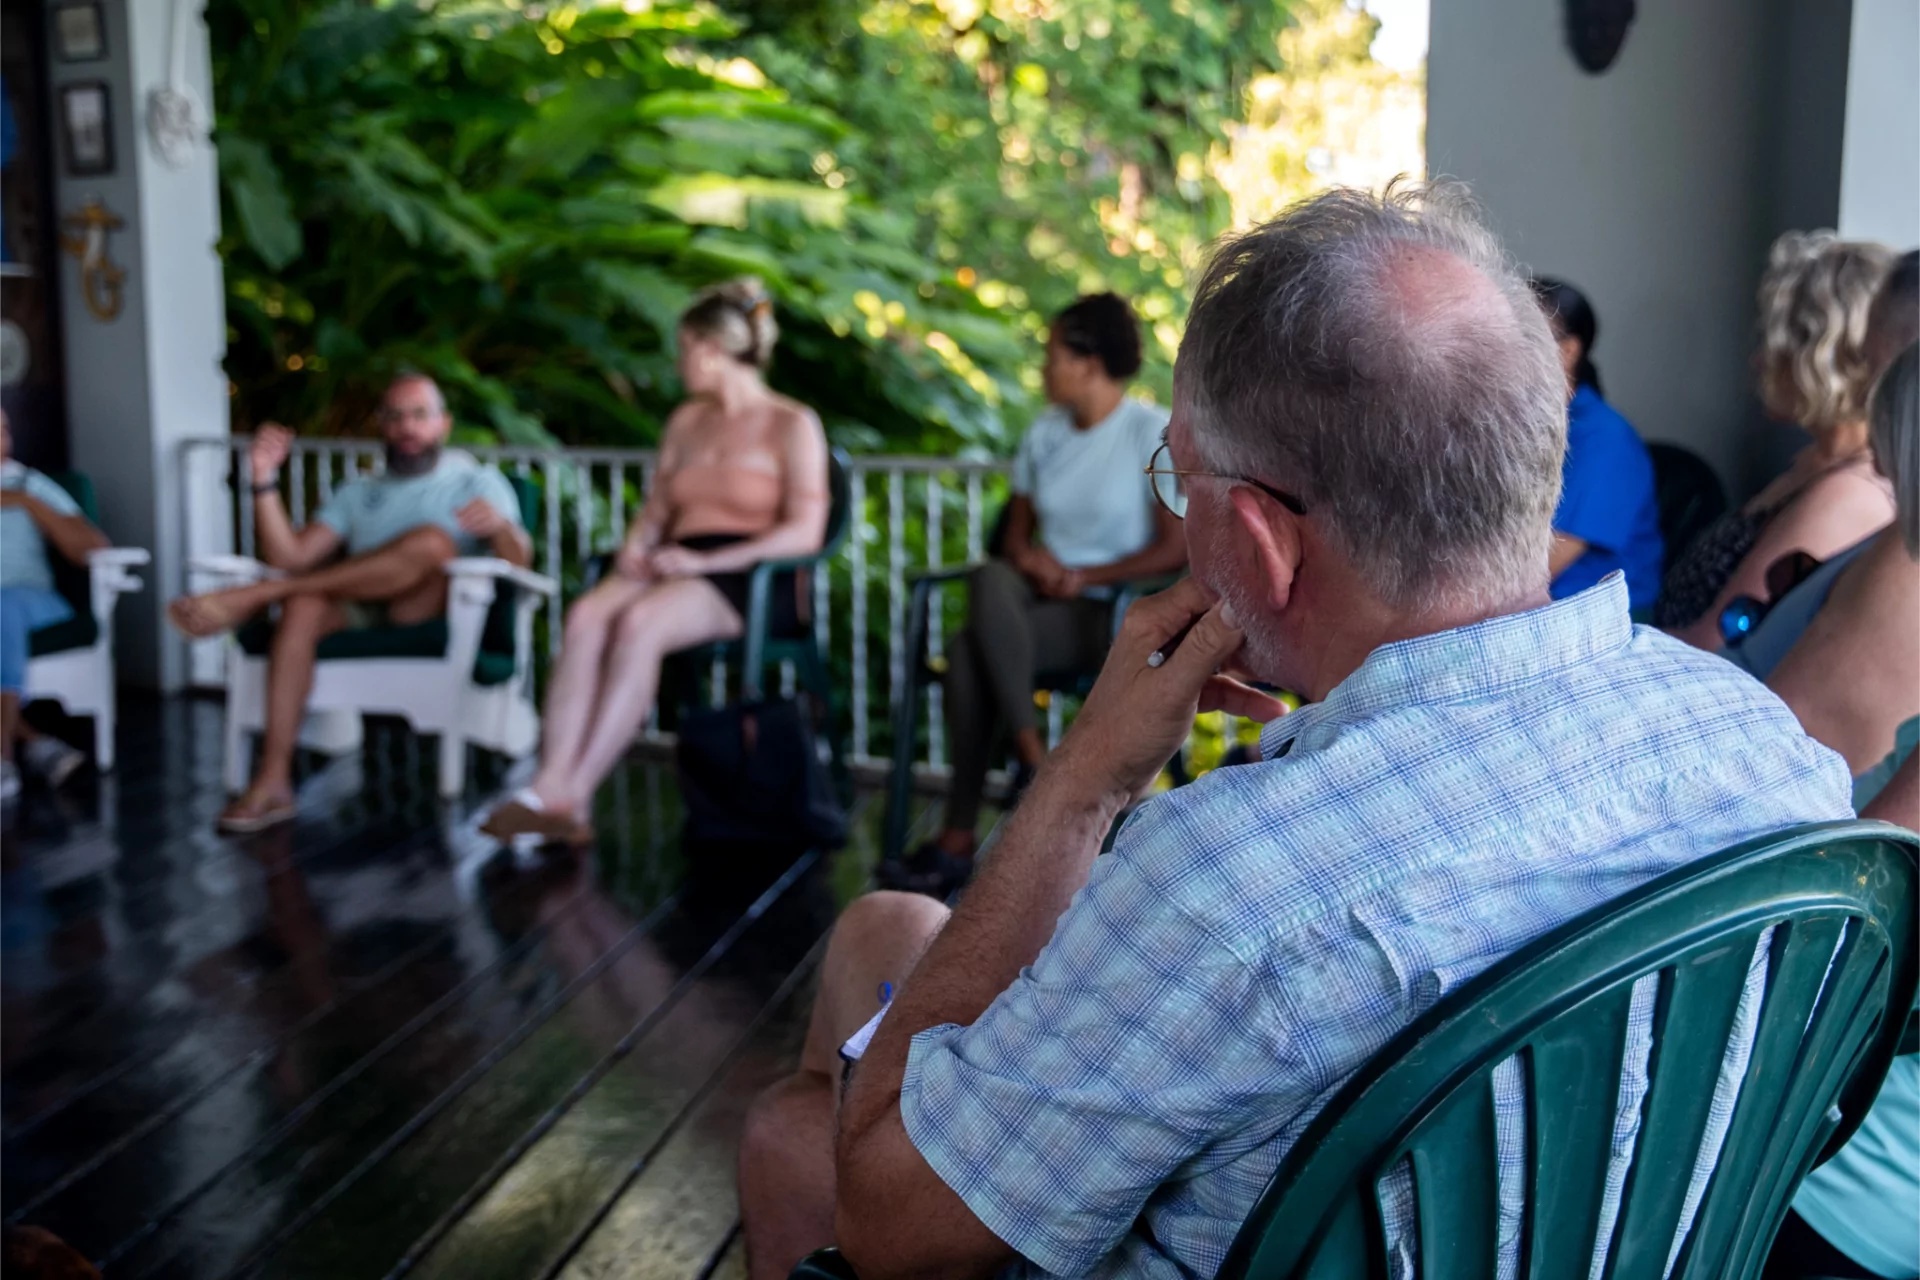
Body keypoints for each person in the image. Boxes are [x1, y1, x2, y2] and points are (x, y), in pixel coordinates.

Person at [734, 183, 1853, 1279]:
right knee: (885, 930)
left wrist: (1083, 783)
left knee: (796, 1133)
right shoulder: (1767, 755)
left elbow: (890, 1229)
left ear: (1264, 544)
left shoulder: (1230, 882)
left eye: (1186, 480)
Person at [481, 279, 830, 846]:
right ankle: (550, 783)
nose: (679, 363)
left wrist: (704, 562)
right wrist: (636, 545)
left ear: (711, 351)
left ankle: (574, 794)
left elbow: (804, 529)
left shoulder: (792, 423)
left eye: (684, 349)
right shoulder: (685, 422)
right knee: (586, 617)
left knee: (639, 624)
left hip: (749, 573)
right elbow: (658, 508)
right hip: (674, 558)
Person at [880, 293, 1186, 897]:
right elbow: (1013, 540)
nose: (1043, 368)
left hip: (1110, 613)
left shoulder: (1147, 431)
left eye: (1052, 355)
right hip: (1037, 608)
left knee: (971, 651)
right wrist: (1037, 563)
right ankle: (1029, 753)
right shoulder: (1043, 435)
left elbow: (1175, 548)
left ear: (1088, 361)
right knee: (988, 582)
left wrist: (1085, 578)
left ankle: (957, 840)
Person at [168, 373, 532, 833]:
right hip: (360, 606)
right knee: (303, 607)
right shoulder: (358, 492)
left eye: (420, 415)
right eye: (395, 416)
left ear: (443, 423)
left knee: (434, 544)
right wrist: (261, 479)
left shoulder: (476, 481)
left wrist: (500, 527)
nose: (407, 427)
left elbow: (521, 560)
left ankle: (261, 595)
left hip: (428, 609)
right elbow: (291, 557)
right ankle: (273, 782)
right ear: (381, 425)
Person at [1658, 232, 1896, 646]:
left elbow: (1716, 642)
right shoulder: (1815, 462)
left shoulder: (1848, 495)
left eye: (1774, 342)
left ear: (1824, 357)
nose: (1759, 359)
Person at [1531, 278, 1664, 610]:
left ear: (1568, 351)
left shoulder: (1604, 441)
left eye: (1521, 337)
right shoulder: (1527, 424)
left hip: (1604, 628)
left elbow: (1538, 569)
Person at [0, 412, 107, 801]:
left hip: (30, 600)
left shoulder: (28, 483)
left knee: (3, 607)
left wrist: (25, 502)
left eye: (5, 428)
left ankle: (3, 758)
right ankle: (37, 743)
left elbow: (93, 549)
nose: (1, 437)